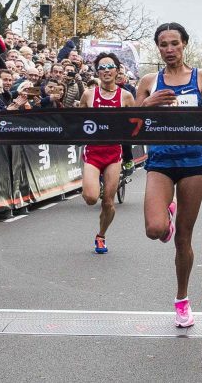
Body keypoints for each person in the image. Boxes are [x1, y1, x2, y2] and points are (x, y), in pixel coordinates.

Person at [135, 22, 202, 329]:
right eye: (163, 44)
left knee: (184, 237)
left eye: (174, 44)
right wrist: (147, 103)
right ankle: (165, 215)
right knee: (154, 229)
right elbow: (128, 122)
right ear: (158, 48)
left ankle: (182, 300)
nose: (169, 49)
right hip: (160, 161)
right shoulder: (148, 80)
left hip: (194, 161)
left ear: (184, 45)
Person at [80, 51, 135, 254]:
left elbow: (135, 125)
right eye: (101, 67)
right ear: (97, 72)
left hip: (113, 153)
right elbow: (78, 123)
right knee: (91, 198)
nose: (105, 70)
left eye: (109, 66)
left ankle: (101, 235)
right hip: (93, 152)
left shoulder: (126, 96)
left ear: (117, 70)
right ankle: (90, 181)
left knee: (108, 202)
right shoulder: (88, 95)